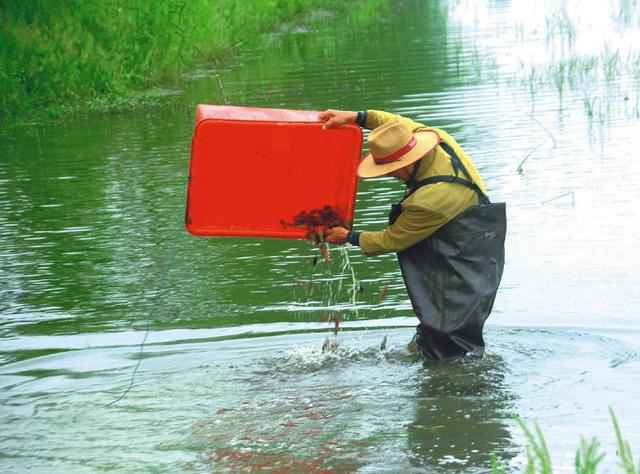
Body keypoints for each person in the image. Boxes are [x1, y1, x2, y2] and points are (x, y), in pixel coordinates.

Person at [319, 109, 506, 360]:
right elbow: (394, 124)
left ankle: (457, 383)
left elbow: (392, 239)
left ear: (406, 164)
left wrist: (349, 237)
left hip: (468, 254)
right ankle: (432, 360)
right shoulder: (435, 138)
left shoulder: (429, 200)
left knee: (451, 334)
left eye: (390, 169)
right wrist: (356, 117)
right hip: (463, 236)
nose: (389, 174)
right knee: (436, 329)